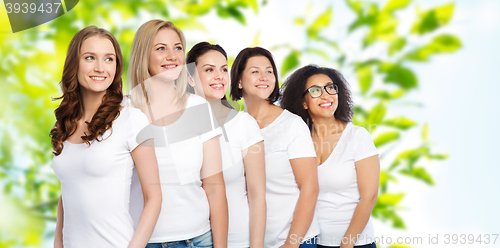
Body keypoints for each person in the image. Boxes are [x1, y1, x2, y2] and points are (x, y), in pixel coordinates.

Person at [50, 26, 162, 248]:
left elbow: (154, 198)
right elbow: (69, 190)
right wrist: (58, 243)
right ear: (75, 63)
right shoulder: (66, 121)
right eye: (90, 57)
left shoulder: (132, 118)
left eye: (109, 59)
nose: (100, 68)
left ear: (117, 66)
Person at [127, 20, 228, 248]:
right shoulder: (123, 112)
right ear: (144, 54)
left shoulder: (198, 108)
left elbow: (214, 188)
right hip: (140, 242)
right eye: (161, 48)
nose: (172, 56)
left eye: (178, 47)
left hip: (197, 240)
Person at [281, 65, 380, 248]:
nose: (326, 95)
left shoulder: (357, 136)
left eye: (330, 87)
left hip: (356, 243)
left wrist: (347, 244)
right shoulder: (298, 142)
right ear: (303, 103)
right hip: (312, 241)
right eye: (315, 90)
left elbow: (370, 196)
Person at [230, 47, 320, 248]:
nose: (264, 77)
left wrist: (291, 243)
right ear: (238, 81)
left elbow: (310, 188)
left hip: (294, 242)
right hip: (249, 242)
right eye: (255, 71)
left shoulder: (292, 125)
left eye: (269, 71)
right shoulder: (232, 126)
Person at [187, 42, 266, 248]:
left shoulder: (244, 124)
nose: (219, 76)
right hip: (190, 239)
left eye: (223, 69)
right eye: (209, 70)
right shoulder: (178, 126)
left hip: (237, 240)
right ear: (190, 78)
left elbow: (257, 196)